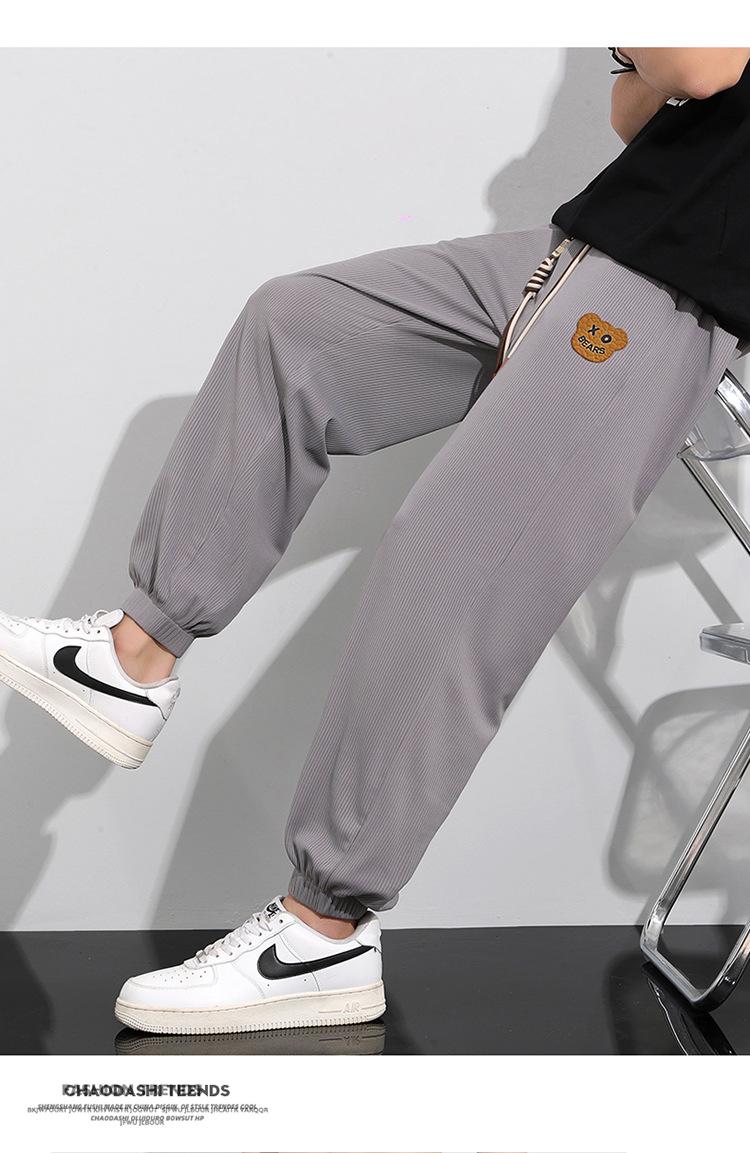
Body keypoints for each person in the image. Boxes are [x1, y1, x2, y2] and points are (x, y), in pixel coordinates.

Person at [1, 46, 749, 1036]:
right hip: (592, 246)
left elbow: (699, 64)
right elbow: (635, 110)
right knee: (297, 326)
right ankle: (132, 658)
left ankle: (324, 931)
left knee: (453, 555)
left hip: (687, 288)